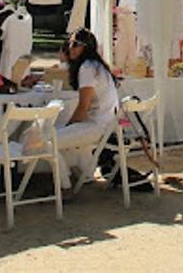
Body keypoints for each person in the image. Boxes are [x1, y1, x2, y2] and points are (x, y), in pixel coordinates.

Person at [24, 28, 119, 190]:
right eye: (69, 43)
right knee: (65, 135)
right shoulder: (97, 66)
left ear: (86, 47)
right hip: (106, 125)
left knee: (46, 142)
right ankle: (86, 175)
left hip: (97, 126)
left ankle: (65, 185)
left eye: (75, 44)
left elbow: (83, 108)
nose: (70, 48)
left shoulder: (87, 69)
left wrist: (69, 126)